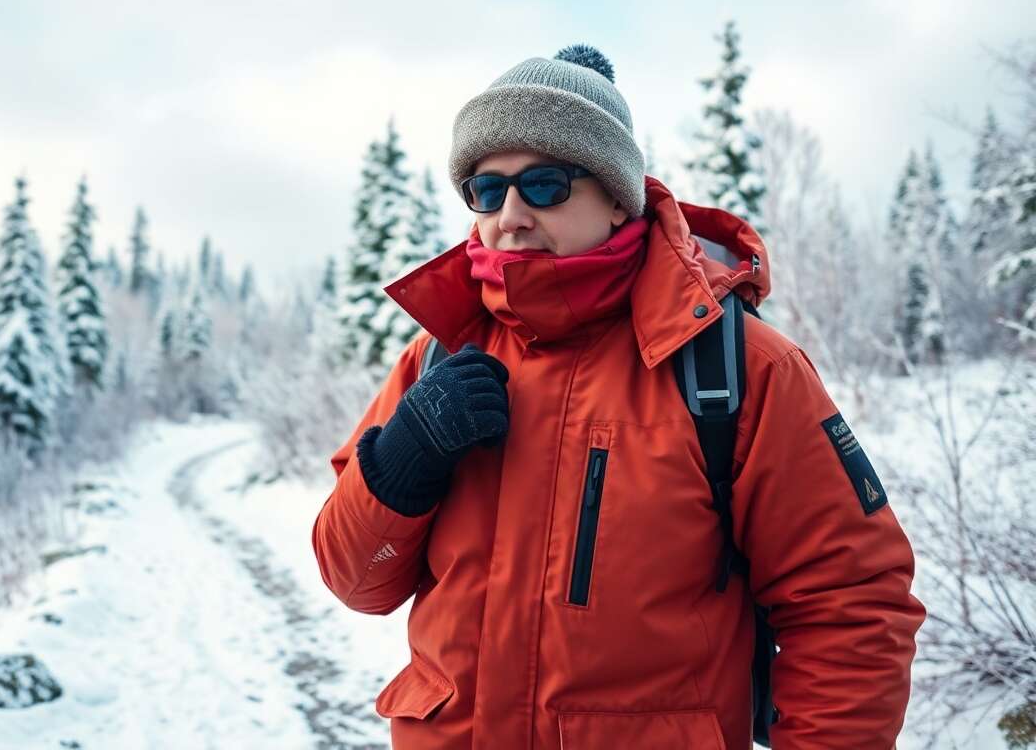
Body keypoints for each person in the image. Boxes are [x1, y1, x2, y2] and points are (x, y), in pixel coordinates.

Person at [311, 43, 926, 749]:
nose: (510, 215)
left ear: (615, 197)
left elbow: (851, 609)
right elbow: (356, 583)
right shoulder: (437, 356)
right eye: (486, 189)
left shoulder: (738, 368)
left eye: (545, 185)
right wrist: (404, 458)